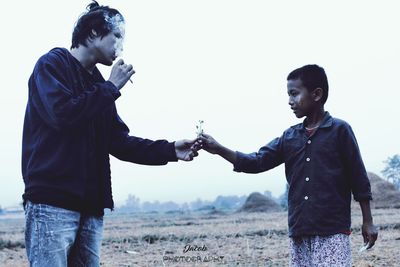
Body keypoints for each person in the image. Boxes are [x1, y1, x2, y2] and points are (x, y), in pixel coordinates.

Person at [22, 1, 200, 266]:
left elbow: (117, 141)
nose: (121, 45)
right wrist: (111, 86)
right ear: (94, 33)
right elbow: (62, 115)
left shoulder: (97, 83)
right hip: (51, 204)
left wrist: (171, 149)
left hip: (91, 207)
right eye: (117, 35)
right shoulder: (51, 64)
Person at [199, 64, 378, 266]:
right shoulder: (290, 137)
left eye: (294, 94)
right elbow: (256, 161)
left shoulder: (340, 131)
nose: (290, 101)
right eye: (288, 95)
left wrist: (368, 221)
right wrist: (218, 148)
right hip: (299, 231)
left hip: (332, 231)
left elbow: (359, 179)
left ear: (316, 94)